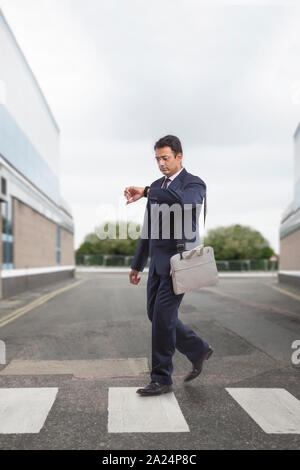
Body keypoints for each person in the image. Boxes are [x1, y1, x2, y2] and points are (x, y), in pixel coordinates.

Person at [124, 135, 213, 396]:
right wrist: (137, 264)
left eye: (165, 158)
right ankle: (198, 349)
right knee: (156, 316)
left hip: (179, 263)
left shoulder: (194, 184)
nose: (161, 163)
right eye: (158, 159)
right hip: (156, 263)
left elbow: (182, 201)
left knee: (163, 319)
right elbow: (148, 229)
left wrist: (148, 192)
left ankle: (162, 379)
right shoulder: (154, 186)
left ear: (179, 156)